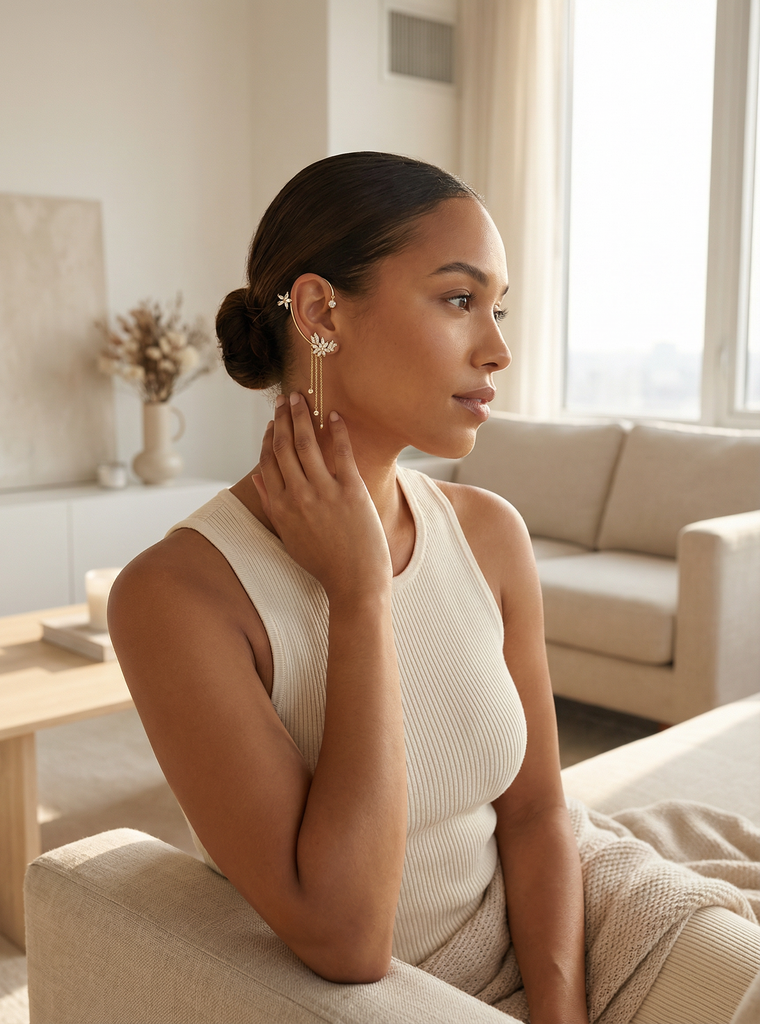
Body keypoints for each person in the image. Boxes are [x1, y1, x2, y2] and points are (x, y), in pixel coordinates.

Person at [108, 152, 760, 1024]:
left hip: (572, 920)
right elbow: (345, 938)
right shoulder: (176, 597)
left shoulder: (489, 533)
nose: (496, 347)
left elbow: (535, 815)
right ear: (317, 311)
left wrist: (556, 1011)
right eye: (459, 300)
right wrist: (360, 592)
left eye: (497, 308)